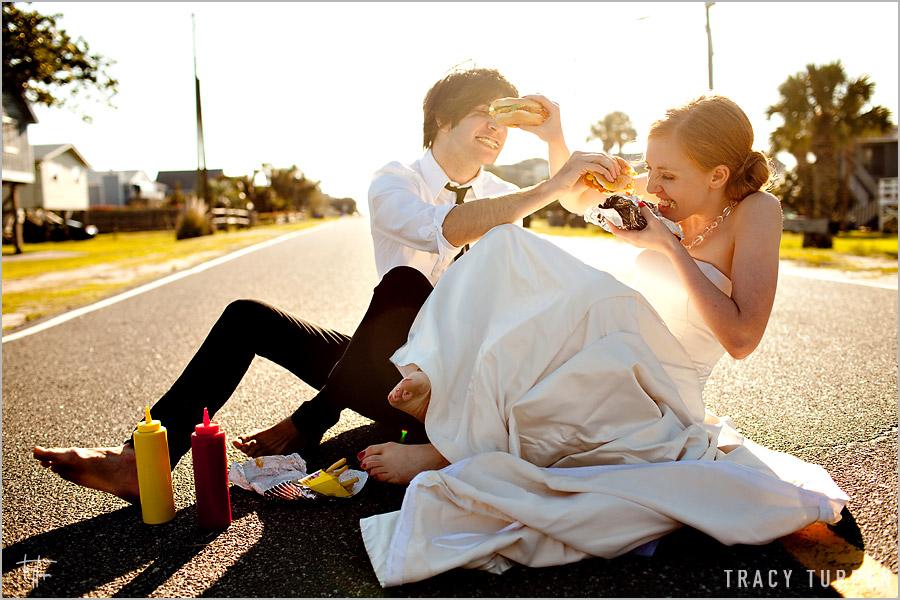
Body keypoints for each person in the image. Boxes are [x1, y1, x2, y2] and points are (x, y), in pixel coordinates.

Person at [32, 67, 619, 502]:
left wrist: (553, 138)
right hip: (390, 373)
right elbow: (447, 228)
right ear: (443, 119)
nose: (497, 132)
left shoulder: (500, 193)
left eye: (506, 123)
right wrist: (542, 189)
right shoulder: (395, 181)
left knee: (407, 288)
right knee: (254, 313)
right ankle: (144, 463)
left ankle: (311, 420)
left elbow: (573, 196)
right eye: (485, 117)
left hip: (461, 387)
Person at [357, 95, 849, 586]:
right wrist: (555, 138)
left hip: (664, 394)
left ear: (717, 175)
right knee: (507, 245)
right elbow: (579, 197)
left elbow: (742, 338)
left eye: (666, 176)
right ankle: (438, 383)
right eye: (649, 170)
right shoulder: (670, 192)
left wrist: (668, 246)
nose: (651, 186)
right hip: (618, 360)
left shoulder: (756, 211)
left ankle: (449, 450)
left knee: (586, 315)